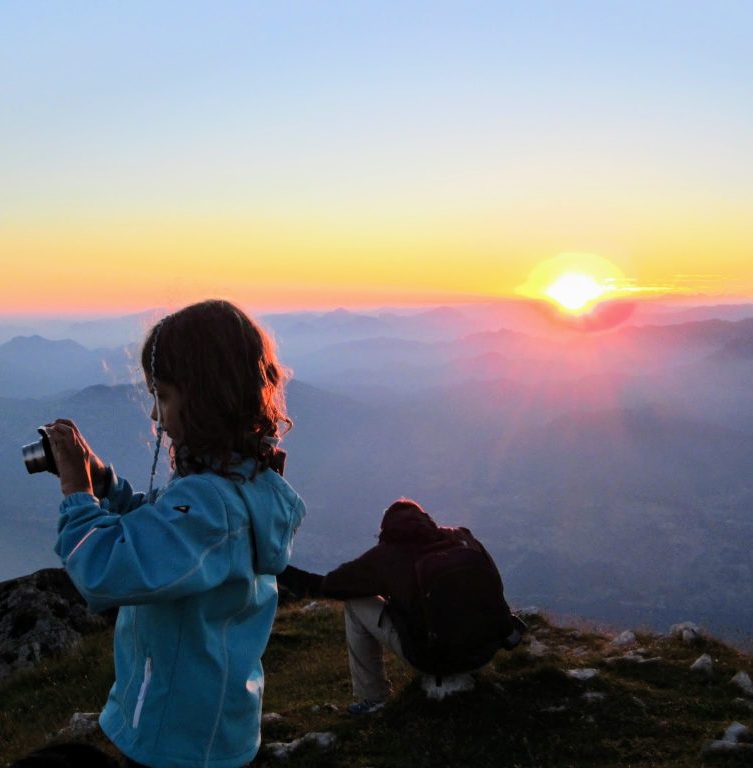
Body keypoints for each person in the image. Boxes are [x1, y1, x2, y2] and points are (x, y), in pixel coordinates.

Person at [43, 299, 306, 768]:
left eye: (163, 396)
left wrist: (77, 492)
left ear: (205, 396)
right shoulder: (240, 486)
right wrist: (109, 487)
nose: (156, 418)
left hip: (175, 741)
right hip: (213, 729)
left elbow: (103, 571)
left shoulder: (209, 506)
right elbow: (169, 532)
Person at [279, 498, 521, 714]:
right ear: (427, 519)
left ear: (387, 529)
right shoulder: (462, 537)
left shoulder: (386, 555)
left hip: (434, 660)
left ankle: (372, 698)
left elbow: (330, 585)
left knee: (355, 604)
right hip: (485, 651)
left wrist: (279, 571)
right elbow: (494, 583)